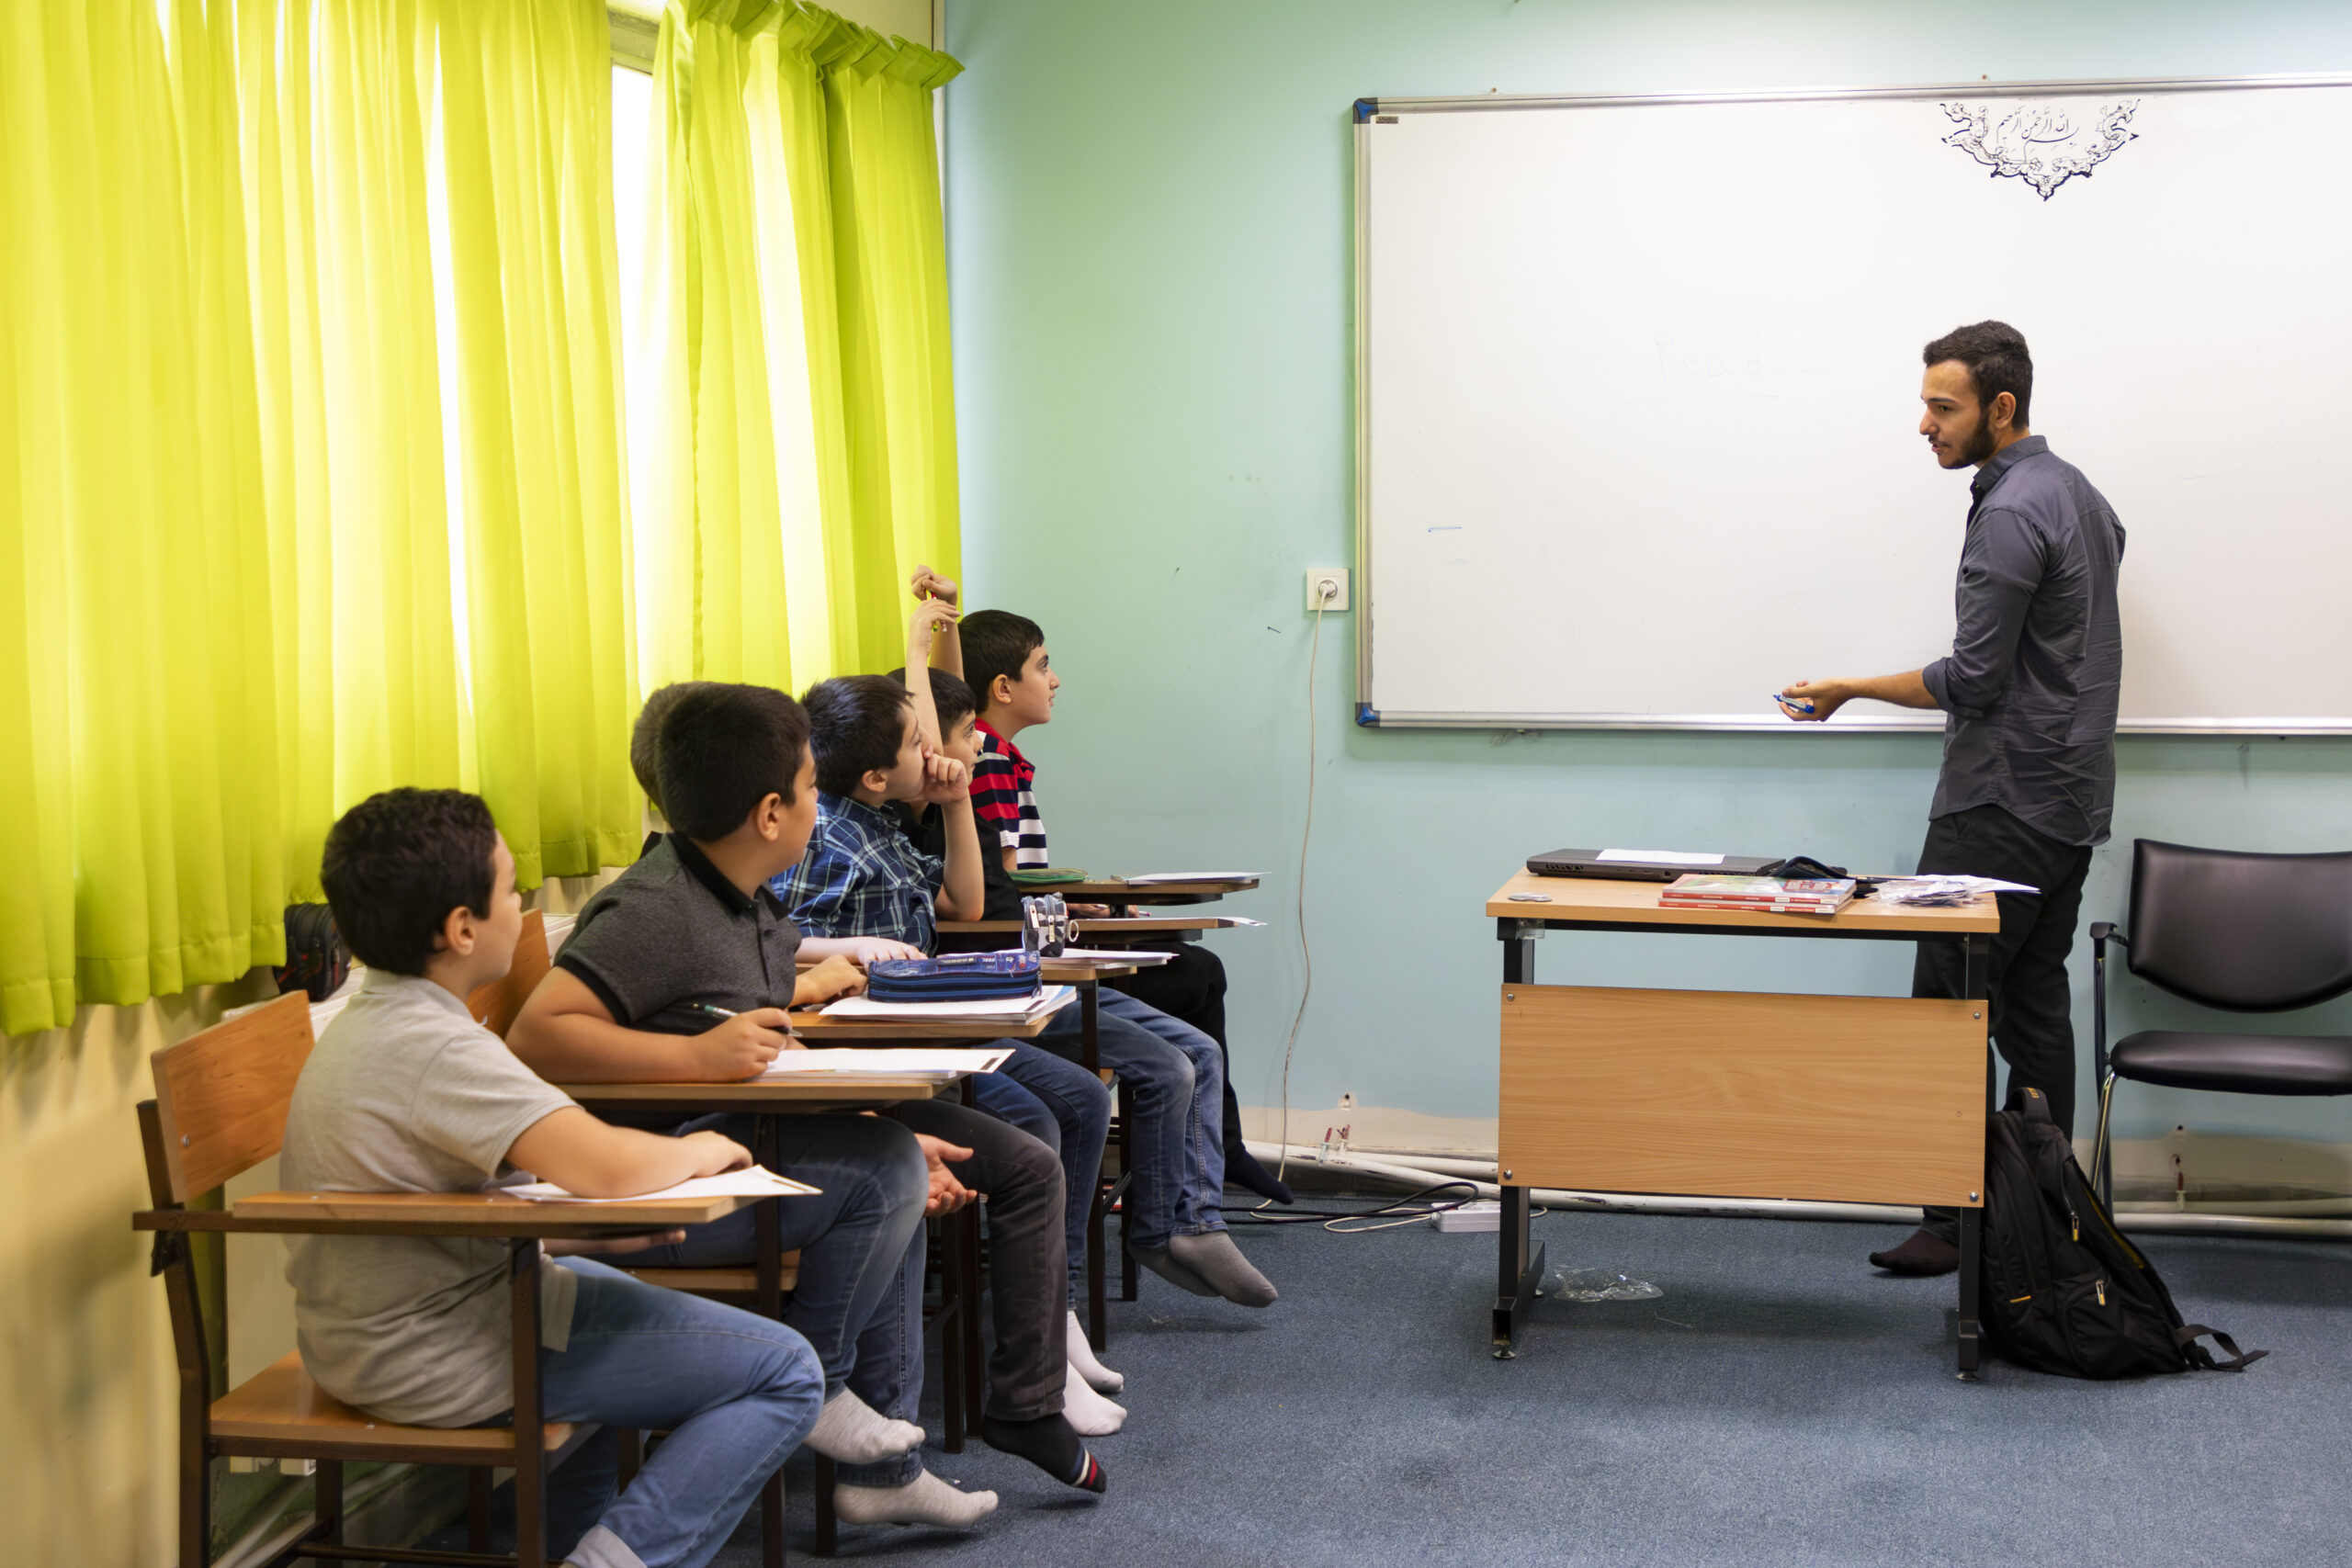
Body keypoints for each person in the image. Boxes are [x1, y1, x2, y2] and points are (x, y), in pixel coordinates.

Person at [509, 682, 1098, 1520]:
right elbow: (537, 1035)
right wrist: (695, 1056)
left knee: (906, 1159)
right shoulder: (656, 907)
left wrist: (863, 1109)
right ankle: (819, 1386)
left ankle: (880, 1458)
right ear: (769, 814)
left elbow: (746, 1022)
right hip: (666, 1186)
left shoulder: (743, 895)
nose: (821, 805)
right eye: (813, 786)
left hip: (741, 1139)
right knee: (887, 1172)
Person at [283, 786, 830, 1568]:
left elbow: (444, 1203)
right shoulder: (437, 1047)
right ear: (461, 928)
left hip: (397, 1322)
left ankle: (578, 1545)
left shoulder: (384, 1018)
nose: (523, 908)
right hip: (435, 1349)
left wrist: (586, 1232)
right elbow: (607, 1164)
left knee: (603, 1290)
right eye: (511, 891)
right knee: (787, 1372)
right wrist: (707, 1149)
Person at [1776, 320, 2125, 1277]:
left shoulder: (2011, 510)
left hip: (1999, 805)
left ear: (2000, 408)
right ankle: (2042, 1217)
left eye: (1943, 406)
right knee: (2035, 1010)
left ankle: (1951, 1218)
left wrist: (1849, 686)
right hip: (2069, 804)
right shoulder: (2084, 497)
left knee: (1948, 1009)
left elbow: (1974, 677)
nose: (1924, 424)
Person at [792, 634, 1126, 1415]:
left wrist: (954, 802)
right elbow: (776, 937)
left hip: (933, 1028)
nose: (940, 753)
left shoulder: (881, 823)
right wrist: (844, 948)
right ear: (876, 774)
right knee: (1035, 1127)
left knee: (1083, 1099)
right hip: (883, 1053)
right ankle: (1035, 1343)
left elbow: (965, 905)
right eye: (920, 744)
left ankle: (1055, 1313)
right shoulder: (827, 837)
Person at [956, 602, 1297, 1213]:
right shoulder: (986, 760)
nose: (1056, 679)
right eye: (1044, 665)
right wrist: (1075, 912)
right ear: (1003, 687)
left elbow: (1011, 880)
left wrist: (1080, 904)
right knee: (1197, 974)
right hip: (1024, 970)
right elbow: (998, 893)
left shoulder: (1002, 758)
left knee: (1198, 970)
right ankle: (1197, 1167)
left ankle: (1207, 1157)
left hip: (1033, 949)